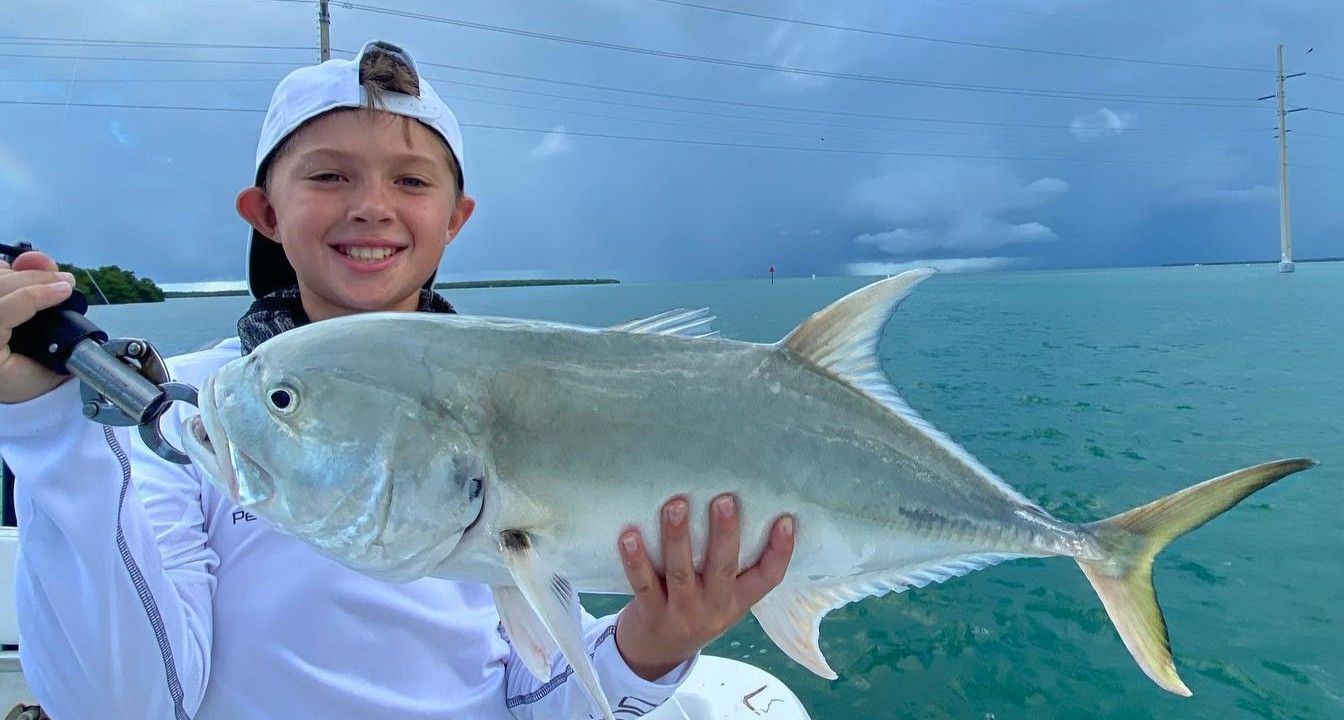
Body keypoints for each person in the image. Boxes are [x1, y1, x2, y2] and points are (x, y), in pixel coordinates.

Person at [0, 41, 795, 719]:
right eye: (329, 177)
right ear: (264, 213)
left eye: (412, 182)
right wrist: (45, 430)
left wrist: (649, 649)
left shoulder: (510, 401)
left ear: (457, 217)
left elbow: (535, 698)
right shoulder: (199, 412)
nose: (373, 207)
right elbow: (124, 705)